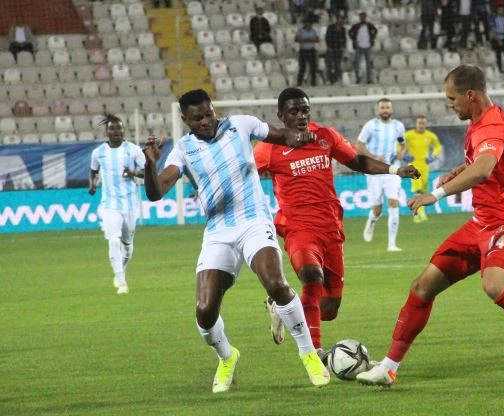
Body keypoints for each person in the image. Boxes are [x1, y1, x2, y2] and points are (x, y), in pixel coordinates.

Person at [356, 65, 504, 390]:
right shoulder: (482, 121)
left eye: (452, 98)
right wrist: (460, 169)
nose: (449, 104)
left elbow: (485, 169)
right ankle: (388, 367)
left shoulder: (491, 125)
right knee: (422, 286)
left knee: (495, 285)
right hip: (481, 223)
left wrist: (436, 194)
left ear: (470, 95)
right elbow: (487, 162)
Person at [142, 89, 330, 393]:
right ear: (185, 119)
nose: (206, 121)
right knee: (205, 310)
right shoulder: (183, 150)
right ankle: (227, 356)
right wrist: (151, 165)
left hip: (254, 221)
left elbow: (281, 135)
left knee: (276, 284)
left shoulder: (240, 124)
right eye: (198, 118)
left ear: (214, 108)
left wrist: (300, 136)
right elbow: (155, 192)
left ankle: (308, 354)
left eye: (209, 113)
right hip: (218, 232)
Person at [253, 87, 420, 359]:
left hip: (330, 226)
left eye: (305, 110)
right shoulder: (269, 148)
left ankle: (282, 304)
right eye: (294, 111)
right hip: (297, 226)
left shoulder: (325, 136)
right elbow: (243, 171)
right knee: (311, 276)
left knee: (329, 308)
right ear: (281, 115)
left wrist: (394, 170)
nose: (301, 116)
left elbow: (357, 161)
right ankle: (314, 353)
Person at [88, 114, 145, 295]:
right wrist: (92, 185)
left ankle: (121, 269)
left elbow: (146, 172)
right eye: (112, 128)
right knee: (114, 240)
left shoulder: (133, 150)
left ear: (123, 130)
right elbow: (93, 171)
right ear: (107, 131)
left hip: (130, 204)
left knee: (127, 245)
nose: (116, 131)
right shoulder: (98, 153)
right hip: (109, 205)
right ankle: (121, 282)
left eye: (119, 128)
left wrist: (133, 172)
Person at [358, 98, 407, 252]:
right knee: (377, 209)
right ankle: (371, 220)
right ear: (378, 110)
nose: (385, 110)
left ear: (391, 109)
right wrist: (373, 157)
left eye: (387, 107)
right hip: (374, 171)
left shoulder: (398, 126)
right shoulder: (370, 126)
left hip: (392, 169)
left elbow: (402, 143)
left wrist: (401, 152)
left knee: (393, 202)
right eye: (382, 108)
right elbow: (360, 145)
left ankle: (392, 244)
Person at [403, 115, 442, 223]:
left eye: (423, 123)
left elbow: (438, 146)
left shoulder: (430, 135)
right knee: (418, 190)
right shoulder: (409, 135)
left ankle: (419, 213)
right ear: (416, 124)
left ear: (426, 124)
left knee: (423, 191)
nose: (421, 125)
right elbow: (399, 143)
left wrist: (433, 156)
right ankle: (418, 214)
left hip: (425, 166)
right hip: (413, 166)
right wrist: (404, 156)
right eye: (419, 123)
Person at [348, 12, 377, 84]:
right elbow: (349, 32)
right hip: (359, 46)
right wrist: (354, 39)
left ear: (365, 17)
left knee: (368, 64)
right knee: (357, 63)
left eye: (363, 17)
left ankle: (369, 79)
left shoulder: (369, 25)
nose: (362, 18)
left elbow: (375, 30)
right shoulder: (356, 26)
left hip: (368, 46)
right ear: (359, 18)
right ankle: (357, 78)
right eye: (361, 17)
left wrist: (372, 38)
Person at [295, 18, 319, 86]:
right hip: (303, 50)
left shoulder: (313, 31)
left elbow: (317, 39)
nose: (308, 25)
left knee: (313, 67)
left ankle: (313, 82)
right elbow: (296, 39)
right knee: (302, 67)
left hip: (311, 50)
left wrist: (307, 40)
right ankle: (299, 82)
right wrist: (306, 40)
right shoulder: (300, 31)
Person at [325, 14, 347, 84]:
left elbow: (344, 38)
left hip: (339, 48)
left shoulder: (342, 29)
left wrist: (343, 46)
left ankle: (337, 78)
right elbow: (327, 37)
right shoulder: (330, 27)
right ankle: (330, 79)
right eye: (338, 19)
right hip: (331, 48)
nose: (339, 20)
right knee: (330, 64)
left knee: (337, 64)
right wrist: (329, 46)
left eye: (340, 19)